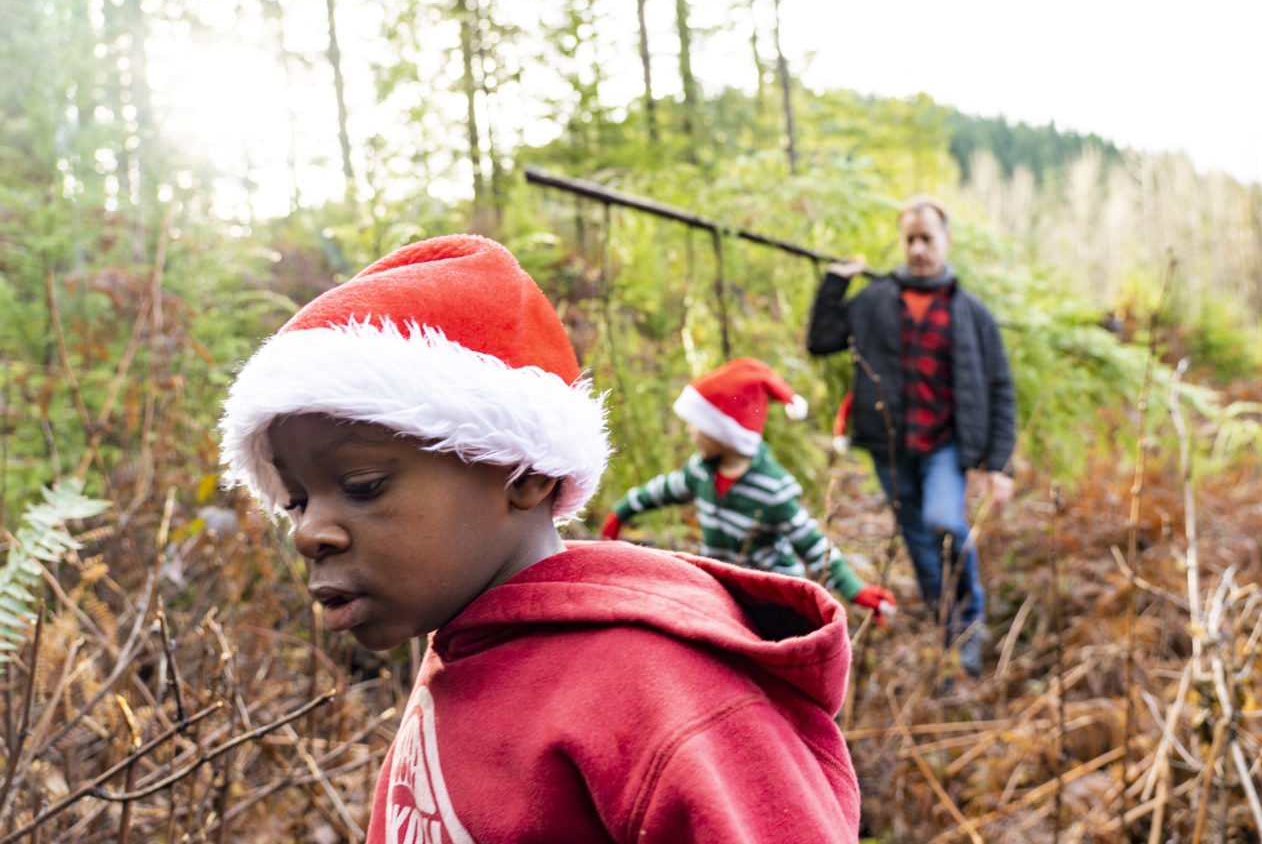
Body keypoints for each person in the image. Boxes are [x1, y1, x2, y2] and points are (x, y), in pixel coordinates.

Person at [220, 236, 860, 843]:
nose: (307, 532)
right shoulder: (468, 639)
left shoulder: (659, 695)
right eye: (296, 500)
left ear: (525, 471)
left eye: (361, 485)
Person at [806, 195, 1016, 677]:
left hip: (945, 445)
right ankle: (948, 628)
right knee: (919, 539)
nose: (919, 248)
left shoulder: (972, 313)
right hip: (889, 446)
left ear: (946, 241)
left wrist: (999, 464)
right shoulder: (875, 300)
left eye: (928, 238)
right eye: (911, 239)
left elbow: (1000, 387)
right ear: (902, 242)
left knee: (946, 520)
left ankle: (971, 618)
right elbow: (821, 341)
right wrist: (835, 282)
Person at [600, 357, 897, 622]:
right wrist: (622, 511)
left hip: (774, 597)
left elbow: (812, 544)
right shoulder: (701, 471)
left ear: (725, 432)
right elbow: (663, 490)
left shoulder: (772, 490)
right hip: (725, 589)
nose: (690, 432)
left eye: (698, 425)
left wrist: (854, 588)